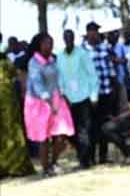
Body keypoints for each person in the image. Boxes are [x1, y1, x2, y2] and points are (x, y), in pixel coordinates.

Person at [23, 33, 74, 176]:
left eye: (51, 43)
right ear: (39, 45)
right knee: (43, 137)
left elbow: (58, 79)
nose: (49, 46)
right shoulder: (34, 62)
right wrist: (48, 101)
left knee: (62, 133)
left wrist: (63, 94)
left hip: (57, 99)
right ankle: (46, 169)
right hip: (38, 103)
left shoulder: (53, 60)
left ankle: (54, 162)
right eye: (46, 43)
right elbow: (37, 84)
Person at [56, 28, 99, 168]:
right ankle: (84, 156)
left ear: (73, 38)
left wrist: (94, 96)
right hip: (68, 100)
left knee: (84, 130)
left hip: (84, 97)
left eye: (70, 37)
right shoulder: (60, 56)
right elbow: (59, 77)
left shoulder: (82, 53)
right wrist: (63, 94)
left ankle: (85, 161)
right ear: (63, 39)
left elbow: (92, 74)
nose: (68, 39)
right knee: (71, 132)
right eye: (66, 37)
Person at [82, 21, 118, 165]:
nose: (96, 34)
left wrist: (114, 89)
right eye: (93, 31)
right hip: (90, 95)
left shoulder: (105, 48)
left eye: (97, 31)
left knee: (104, 125)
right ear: (88, 33)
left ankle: (103, 156)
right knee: (91, 126)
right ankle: (90, 157)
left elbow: (110, 69)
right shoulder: (82, 51)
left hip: (106, 91)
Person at [0, 47, 34, 178]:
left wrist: (23, 90)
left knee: (12, 131)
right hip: (7, 98)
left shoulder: (4, 58)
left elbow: (17, 74)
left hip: (8, 101)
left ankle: (16, 166)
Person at [107, 30, 129, 98]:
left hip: (121, 77)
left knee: (122, 97)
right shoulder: (108, 48)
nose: (109, 38)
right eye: (108, 37)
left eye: (111, 36)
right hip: (112, 78)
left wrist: (115, 60)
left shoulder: (121, 46)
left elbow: (126, 60)